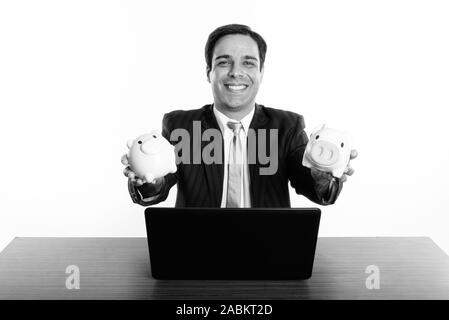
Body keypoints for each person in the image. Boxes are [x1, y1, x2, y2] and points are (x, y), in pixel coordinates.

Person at [121, 24, 357, 207]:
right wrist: (149, 180)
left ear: (261, 73)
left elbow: (313, 186)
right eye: (224, 62)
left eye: (248, 63)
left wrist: (323, 176)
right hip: (197, 249)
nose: (236, 72)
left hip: (269, 252)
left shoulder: (287, 127)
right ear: (209, 73)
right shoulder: (180, 126)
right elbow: (160, 185)